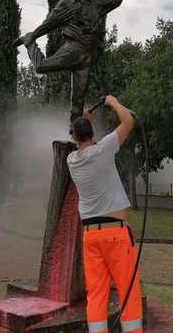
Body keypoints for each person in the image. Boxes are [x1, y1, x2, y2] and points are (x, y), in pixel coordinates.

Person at [14, 0, 137, 123]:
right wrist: (33, 37)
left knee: (78, 102)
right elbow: (49, 23)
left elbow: (115, 0)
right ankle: (28, 43)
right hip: (72, 49)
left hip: (86, 58)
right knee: (40, 66)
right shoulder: (66, 3)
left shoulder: (96, 2)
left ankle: (76, 135)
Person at [67, 95, 143, 333]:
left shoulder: (72, 160)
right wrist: (113, 103)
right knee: (128, 291)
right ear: (91, 133)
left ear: (74, 137)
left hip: (90, 237)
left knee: (96, 294)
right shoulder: (103, 150)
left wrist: (86, 121)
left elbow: (87, 147)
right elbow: (128, 121)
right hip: (115, 236)